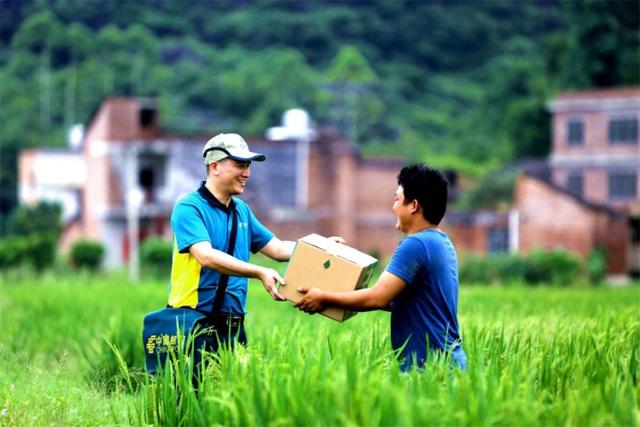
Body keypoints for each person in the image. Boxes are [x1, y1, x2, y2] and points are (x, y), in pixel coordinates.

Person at [295, 164, 466, 372]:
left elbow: (378, 297)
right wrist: (343, 288)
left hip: (430, 368)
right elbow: (401, 302)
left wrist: (323, 297)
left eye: (397, 199)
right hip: (448, 363)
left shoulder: (416, 244)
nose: (394, 206)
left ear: (413, 205)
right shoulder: (441, 242)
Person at [167, 133, 298, 373]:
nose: (246, 173)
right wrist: (258, 271)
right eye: (239, 165)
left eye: (248, 166)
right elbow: (205, 256)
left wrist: (319, 248)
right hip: (194, 320)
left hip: (233, 324)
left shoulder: (241, 211)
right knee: (193, 396)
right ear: (214, 166)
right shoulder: (189, 207)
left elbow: (278, 249)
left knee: (234, 395)